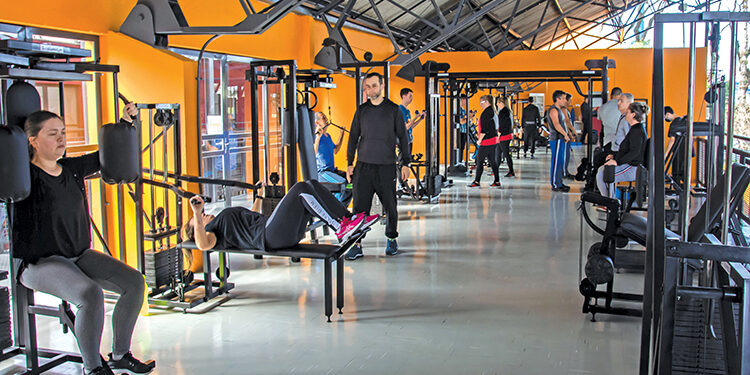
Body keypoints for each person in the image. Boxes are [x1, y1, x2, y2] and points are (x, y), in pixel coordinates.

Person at [13, 107, 155, 375]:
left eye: (63, 133)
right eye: (53, 134)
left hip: (78, 255)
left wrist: (125, 124)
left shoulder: (71, 169)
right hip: (38, 263)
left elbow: (106, 155)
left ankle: (120, 354)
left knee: (134, 283)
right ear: (33, 141)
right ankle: (94, 369)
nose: (61, 139)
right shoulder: (23, 178)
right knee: (90, 294)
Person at [183, 180, 379, 251]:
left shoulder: (221, 223)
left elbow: (250, 217)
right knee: (301, 189)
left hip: (270, 229)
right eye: (198, 221)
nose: (204, 215)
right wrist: (196, 214)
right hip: (269, 236)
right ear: (197, 228)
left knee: (310, 184)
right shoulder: (210, 232)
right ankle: (340, 228)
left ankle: (348, 220)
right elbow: (203, 245)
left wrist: (259, 195)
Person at [345, 72, 411, 259]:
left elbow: (403, 138)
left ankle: (391, 239)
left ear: (382, 87)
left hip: (386, 166)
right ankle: (356, 244)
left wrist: (406, 162)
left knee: (390, 206)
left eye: (374, 85)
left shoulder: (393, 110)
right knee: (359, 207)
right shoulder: (362, 110)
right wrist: (350, 163)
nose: (370, 89)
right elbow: (353, 137)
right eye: (367, 86)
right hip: (363, 166)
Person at [595, 102, 649, 197]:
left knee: (604, 174)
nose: (625, 114)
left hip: (633, 168)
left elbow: (635, 152)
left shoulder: (637, 131)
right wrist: (614, 156)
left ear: (633, 114)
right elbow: (627, 150)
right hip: (629, 165)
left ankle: (610, 202)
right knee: (602, 170)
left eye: (627, 112)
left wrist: (617, 162)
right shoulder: (634, 129)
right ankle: (610, 200)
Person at [314, 111, 351, 204]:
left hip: (332, 171)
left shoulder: (328, 136)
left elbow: (335, 150)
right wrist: (318, 136)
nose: (326, 119)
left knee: (351, 183)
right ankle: (336, 210)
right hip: (323, 173)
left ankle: (343, 210)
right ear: (317, 122)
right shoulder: (316, 136)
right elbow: (313, 152)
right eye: (323, 118)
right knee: (342, 184)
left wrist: (341, 134)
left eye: (325, 117)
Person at [468, 95, 501, 188]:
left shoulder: (486, 113)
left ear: (487, 102)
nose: (480, 104)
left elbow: (484, 129)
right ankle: (497, 181)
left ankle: (477, 181)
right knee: (492, 161)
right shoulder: (493, 111)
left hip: (487, 141)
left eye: (481, 102)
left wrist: (479, 140)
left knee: (479, 160)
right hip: (493, 140)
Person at [547, 90, 571, 192]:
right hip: (556, 139)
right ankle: (555, 184)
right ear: (558, 99)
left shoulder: (559, 110)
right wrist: (565, 134)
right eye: (564, 98)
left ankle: (559, 182)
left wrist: (567, 134)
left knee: (560, 162)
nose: (565, 100)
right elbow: (556, 125)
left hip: (560, 140)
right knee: (556, 162)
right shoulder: (553, 110)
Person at [495, 95, 515, 177]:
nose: (496, 104)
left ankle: (511, 171)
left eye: (498, 102)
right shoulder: (508, 111)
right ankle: (495, 169)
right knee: (498, 153)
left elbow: (502, 125)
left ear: (501, 103)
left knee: (506, 154)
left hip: (504, 136)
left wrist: (498, 134)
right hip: (507, 135)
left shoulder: (503, 112)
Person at [563, 93, 577, 178]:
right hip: (565, 136)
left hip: (567, 135)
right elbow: (566, 122)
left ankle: (565, 172)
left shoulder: (566, 109)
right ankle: (564, 172)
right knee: (565, 155)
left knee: (567, 155)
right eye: (570, 100)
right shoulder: (563, 110)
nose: (571, 101)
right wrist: (571, 133)